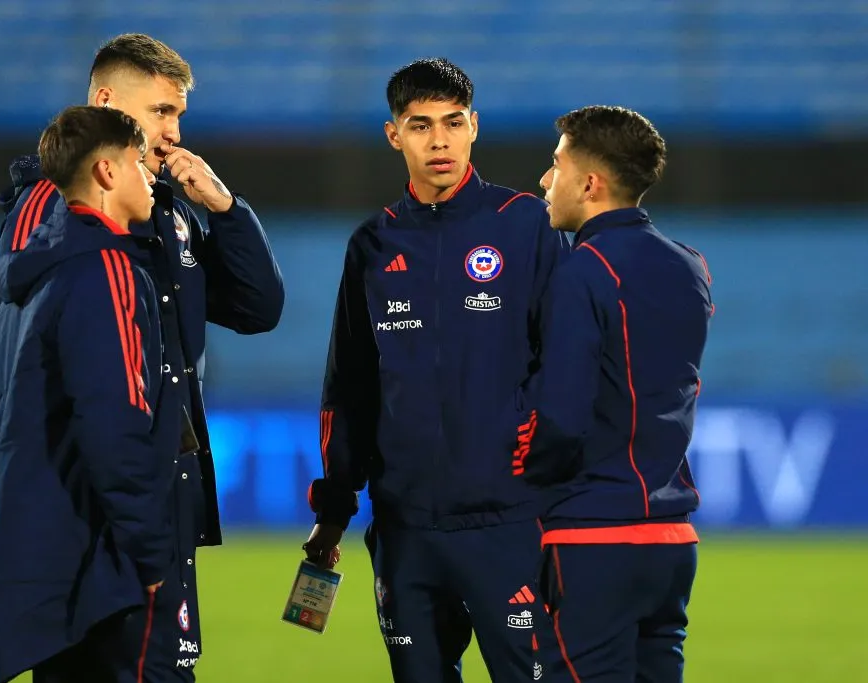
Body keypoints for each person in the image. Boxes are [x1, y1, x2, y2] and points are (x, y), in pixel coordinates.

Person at [0, 34, 285, 680]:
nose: (174, 133)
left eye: (179, 115)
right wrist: (145, 538)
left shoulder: (165, 210)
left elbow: (259, 307)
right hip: (100, 513)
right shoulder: (61, 209)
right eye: (159, 113)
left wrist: (225, 209)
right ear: (106, 103)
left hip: (148, 503)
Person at [302, 58, 570, 683]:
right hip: (406, 530)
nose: (440, 140)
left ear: (475, 126)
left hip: (512, 524)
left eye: (453, 123)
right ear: (394, 135)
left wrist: (550, 476)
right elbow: (349, 385)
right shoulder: (372, 244)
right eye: (420, 125)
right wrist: (336, 506)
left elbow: (567, 362)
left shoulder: (525, 222)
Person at [0, 105, 186, 682]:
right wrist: (150, 553)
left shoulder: (33, 279)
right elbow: (116, 425)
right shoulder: (109, 269)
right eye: (137, 164)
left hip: (43, 563)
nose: (151, 177)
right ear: (105, 173)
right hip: (105, 568)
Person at [520, 105, 712, 682]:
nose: (544, 180)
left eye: (555, 165)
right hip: (671, 540)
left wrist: (515, 479)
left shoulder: (583, 269)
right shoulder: (691, 265)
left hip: (594, 537)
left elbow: (560, 415)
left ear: (589, 183)